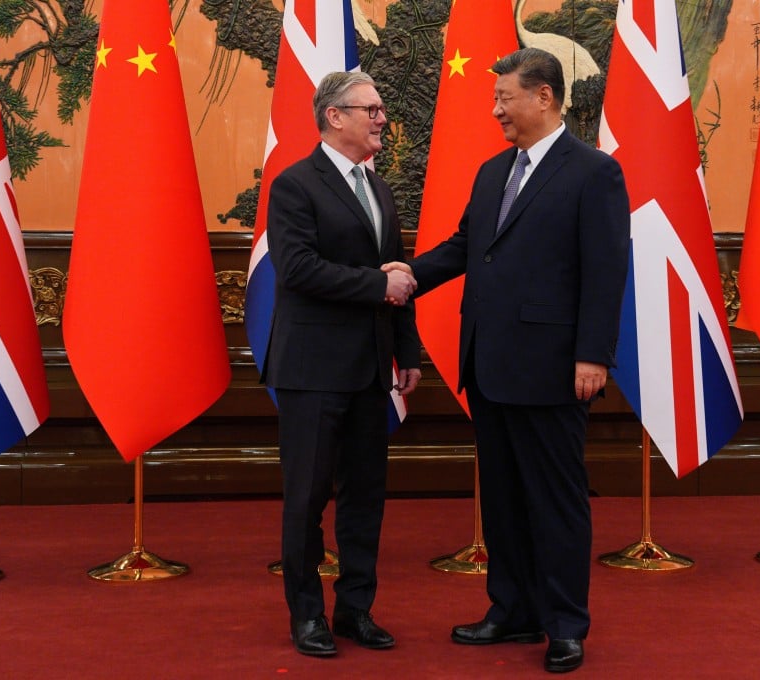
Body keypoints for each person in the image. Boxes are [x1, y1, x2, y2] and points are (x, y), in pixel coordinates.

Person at [383, 48, 630, 673]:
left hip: (554, 368)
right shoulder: (494, 170)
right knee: (502, 499)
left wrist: (592, 355)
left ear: (543, 97)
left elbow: (606, 271)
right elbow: (469, 246)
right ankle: (511, 610)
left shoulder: (593, 171)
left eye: (505, 99)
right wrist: (410, 273)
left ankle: (565, 624)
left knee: (555, 500)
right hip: (489, 363)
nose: (495, 110)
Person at [263, 71, 422, 658]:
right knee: (306, 497)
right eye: (372, 109)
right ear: (334, 116)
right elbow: (299, 269)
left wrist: (407, 350)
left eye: (381, 108)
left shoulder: (378, 189)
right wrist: (376, 286)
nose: (382, 118)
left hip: (371, 369)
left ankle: (356, 608)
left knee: (366, 496)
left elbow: (397, 273)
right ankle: (307, 615)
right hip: (311, 369)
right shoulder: (295, 185)